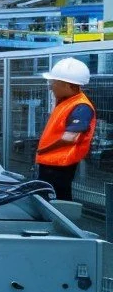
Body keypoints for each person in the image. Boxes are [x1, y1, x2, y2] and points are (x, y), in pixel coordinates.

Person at [35, 58, 95, 202]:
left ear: (67, 85)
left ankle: (61, 224)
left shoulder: (81, 107)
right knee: (51, 199)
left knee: (57, 202)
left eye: (54, 82)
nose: (51, 87)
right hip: (52, 163)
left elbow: (70, 138)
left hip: (59, 165)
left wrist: (43, 150)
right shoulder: (67, 102)